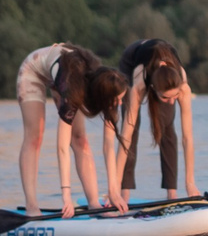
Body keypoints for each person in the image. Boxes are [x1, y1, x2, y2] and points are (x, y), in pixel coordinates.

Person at [15, 42, 130, 218]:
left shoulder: (106, 83)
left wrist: (114, 191)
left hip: (62, 75)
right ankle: (31, 205)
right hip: (34, 70)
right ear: (104, 97)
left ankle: (93, 204)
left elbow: (108, 144)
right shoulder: (72, 91)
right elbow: (62, 146)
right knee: (35, 136)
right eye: (117, 101)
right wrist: (66, 196)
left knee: (80, 139)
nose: (120, 104)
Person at [115, 37, 197, 199]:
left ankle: (171, 194)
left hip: (160, 66)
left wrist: (190, 183)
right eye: (166, 98)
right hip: (131, 60)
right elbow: (125, 137)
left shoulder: (182, 85)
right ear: (153, 89)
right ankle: (122, 193)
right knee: (132, 129)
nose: (172, 101)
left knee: (167, 127)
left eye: (175, 96)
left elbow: (187, 138)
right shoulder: (140, 84)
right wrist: (113, 189)